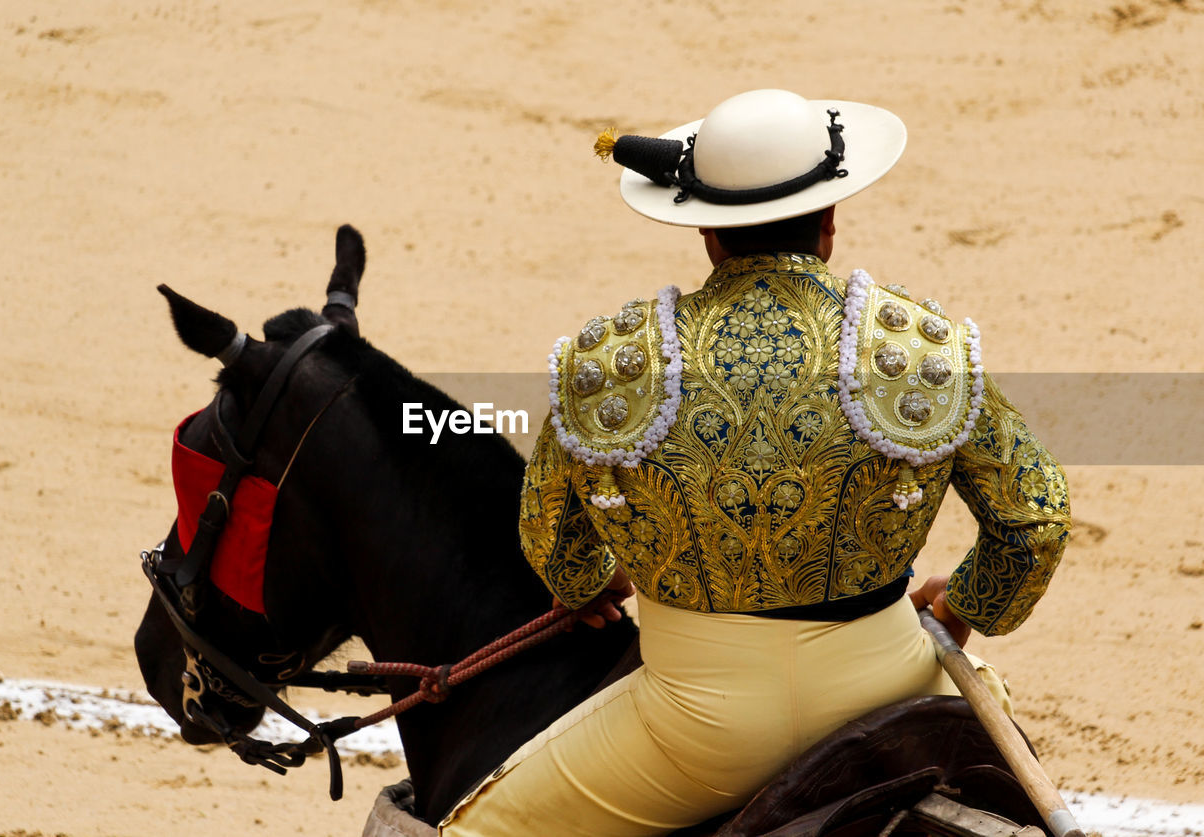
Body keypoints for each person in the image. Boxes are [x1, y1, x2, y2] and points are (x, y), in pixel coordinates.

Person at [439, 88, 1070, 836]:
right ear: (830, 221)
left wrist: (590, 581)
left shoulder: (611, 362)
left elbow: (552, 536)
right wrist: (965, 605)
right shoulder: (916, 350)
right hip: (889, 686)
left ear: (706, 230)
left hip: (695, 724)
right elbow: (1035, 520)